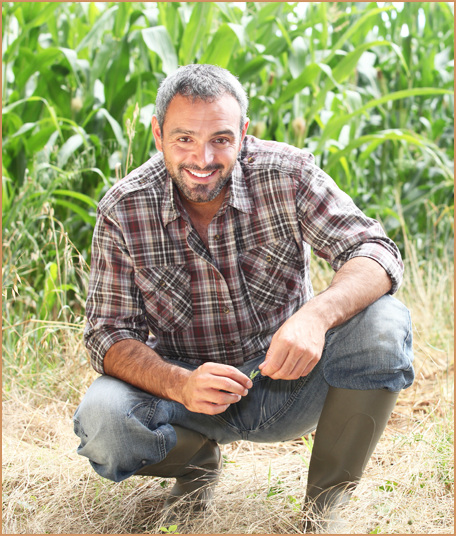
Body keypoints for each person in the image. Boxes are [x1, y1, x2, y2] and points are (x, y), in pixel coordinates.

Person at [74, 64, 414, 531]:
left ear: (244, 133)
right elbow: (106, 332)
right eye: (184, 139)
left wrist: (315, 317)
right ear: (157, 134)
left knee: (385, 322)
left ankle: (322, 512)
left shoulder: (287, 173)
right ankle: (196, 466)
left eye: (221, 138)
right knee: (102, 423)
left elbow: (374, 250)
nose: (204, 157)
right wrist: (180, 385)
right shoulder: (124, 207)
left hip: (290, 380)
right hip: (186, 398)